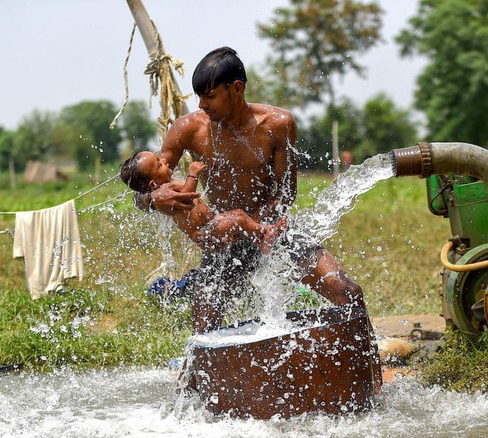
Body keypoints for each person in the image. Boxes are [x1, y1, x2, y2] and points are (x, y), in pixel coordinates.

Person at [134, 46, 382, 391]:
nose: (203, 106)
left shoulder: (278, 125)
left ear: (237, 89)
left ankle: (372, 387)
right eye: (199, 98)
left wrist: (268, 223)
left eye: (210, 97)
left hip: (272, 231)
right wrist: (149, 199)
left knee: (347, 292)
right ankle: (192, 400)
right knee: (204, 320)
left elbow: (286, 192)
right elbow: (149, 181)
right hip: (226, 240)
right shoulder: (189, 129)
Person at [119, 151, 285, 254]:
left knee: (238, 225)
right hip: (206, 230)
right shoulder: (166, 196)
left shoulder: (167, 187)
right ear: (153, 183)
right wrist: (192, 175)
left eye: (158, 157)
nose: (164, 159)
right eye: (158, 164)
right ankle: (265, 233)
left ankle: (259, 239)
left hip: (209, 224)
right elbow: (187, 197)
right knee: (240, 218)